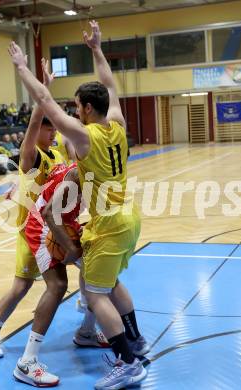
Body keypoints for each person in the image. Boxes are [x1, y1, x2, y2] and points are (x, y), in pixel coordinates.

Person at [8, 20, 149, 389]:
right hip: (129, 216)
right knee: (109, 282)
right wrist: (97, 48)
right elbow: (110, 83)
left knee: (94, 293)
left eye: (78, 107)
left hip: (109, 221)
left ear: (87, 108)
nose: (75, 111)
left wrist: (22, 68)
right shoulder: (118, 121)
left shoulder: (84, 138)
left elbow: (44, 102)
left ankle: (127, 361)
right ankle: (133, 339)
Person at [0, 59, 66, 360]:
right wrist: (43, 88)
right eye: (49, 128)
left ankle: (92, 320)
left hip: (54, 229)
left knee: (84, 273)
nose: (53, 132)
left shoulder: (56, 153)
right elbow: (33, 126)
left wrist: (20, 188)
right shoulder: (32, 154)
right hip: (30, 231)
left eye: (55, 128)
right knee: (22, 286)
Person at [14, 162, 108, 386]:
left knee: (95, 267)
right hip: (43, 225)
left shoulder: (92, 169)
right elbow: (48, 213)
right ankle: (26, 362)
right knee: (57, 286)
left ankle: (86, 331)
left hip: (64, 221)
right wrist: (72, 247)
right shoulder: (77, 173)